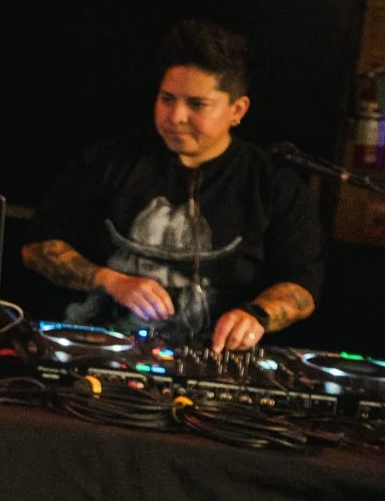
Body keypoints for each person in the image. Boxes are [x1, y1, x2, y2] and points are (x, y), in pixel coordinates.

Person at [23, 18, 323, 351]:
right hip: (97, 348)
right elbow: (36, 248)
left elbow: (302, 286)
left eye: (196, 104)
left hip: (212, 358)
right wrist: (110, 280)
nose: (175, 116)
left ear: (237, 109)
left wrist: (257, 314)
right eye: (167, 99)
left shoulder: (273, 185)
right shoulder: (105, 162)